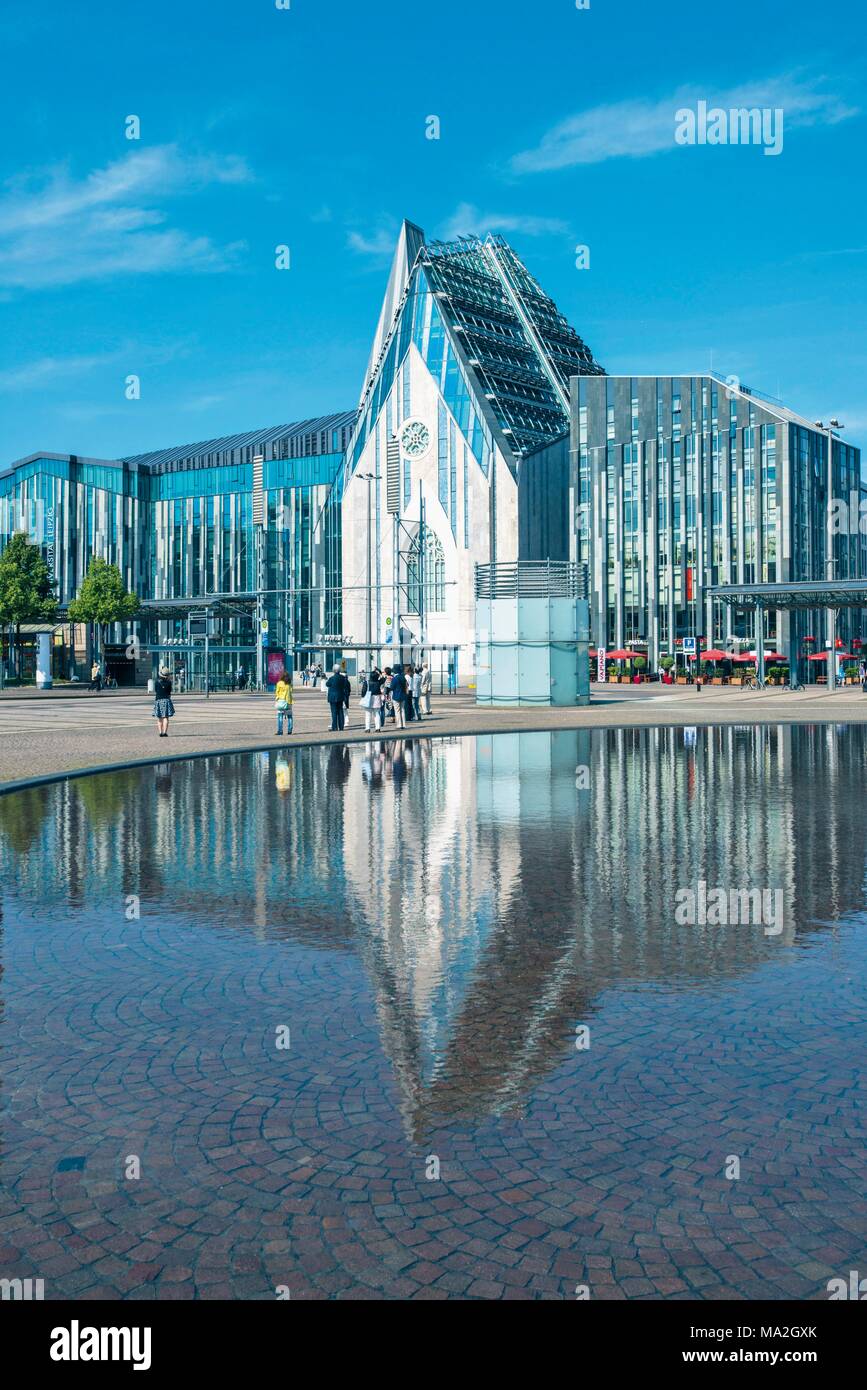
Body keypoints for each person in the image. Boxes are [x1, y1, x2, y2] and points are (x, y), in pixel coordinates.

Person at [325, 663, 350, 731]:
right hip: (340, 696)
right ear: (339, 670)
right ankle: (341, 727)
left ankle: (334, 727)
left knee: (334, 712)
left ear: (333, 670)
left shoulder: (331, 678)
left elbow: (327, 684)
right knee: (340, 712)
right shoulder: (343, 678)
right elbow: (345, 685)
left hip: (332, 697)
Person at [153, 665, 175, 737]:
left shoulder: (157, 682)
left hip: (158, 700)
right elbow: (169, 692)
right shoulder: (169, 682)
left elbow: (156, 690)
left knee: (159, 718)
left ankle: (160, 732)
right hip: (166, 700)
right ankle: (165, 732)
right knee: (166, 717)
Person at [274, 668, 293, 735]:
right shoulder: (289, 684)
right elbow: (291, 692)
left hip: (281, 702)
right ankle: (289, 730)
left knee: (280, 716)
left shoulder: (279, 683)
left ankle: (280, 731)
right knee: (290, 716)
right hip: (288, 702)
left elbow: (277, 692)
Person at [390, 663, 408, 729]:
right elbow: (407, 685)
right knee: (402, 710)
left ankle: (399, 725)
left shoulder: (395, 678)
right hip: (403, 695)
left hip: (396, 696)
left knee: (397, 711)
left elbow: (391, 687)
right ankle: (403, 724)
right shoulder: (403, 677)